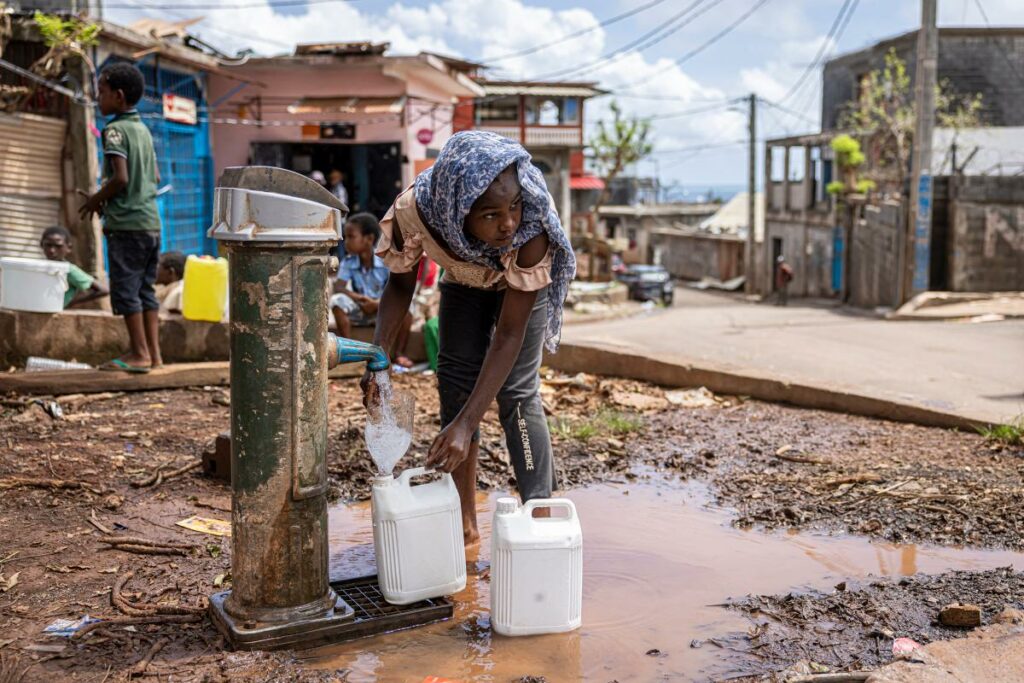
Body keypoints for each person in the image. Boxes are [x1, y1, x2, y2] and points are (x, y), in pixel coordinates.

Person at [365, 131, 576, 544]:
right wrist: (380, 357)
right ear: (458, 208)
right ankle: (464, 524)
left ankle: (542, 519)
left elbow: (510, 332)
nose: (508, 222)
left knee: (516, 394)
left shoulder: (530, 229)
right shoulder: (419, 211)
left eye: (512, 206)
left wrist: (467, 426)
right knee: (455, 387)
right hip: (464, 280)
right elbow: (399, 286)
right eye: (491, 214)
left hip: (518, 288)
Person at [79, 62, 162, 373]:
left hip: (127, 226)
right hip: (151, 222)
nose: (97, 98)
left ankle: (138, 354)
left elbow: (121, 178)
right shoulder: (142, 130)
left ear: (118, 95)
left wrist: (95, 200)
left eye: (101, 92)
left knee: (127, 290)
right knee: (146, 290)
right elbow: (152, 175)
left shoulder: (114, 130)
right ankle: (154, 354)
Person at [331, 213, 413, 367]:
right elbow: (339, 287)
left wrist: (376, 304)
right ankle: (350, 352)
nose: (346, 242)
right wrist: (360, 299)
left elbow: (397, 290)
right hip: (362, 308)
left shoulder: (385, 261)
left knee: (409, 307)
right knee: (337, 302)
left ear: (368, 239)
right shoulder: (348, 262)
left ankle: (400, 353)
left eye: (351, 237)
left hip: (383, 310)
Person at [39, 226, 108, 309]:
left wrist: (71, 301)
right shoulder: (38, 266)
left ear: (68, 248)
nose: (52, 250)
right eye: (48, 245)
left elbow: (103, 290)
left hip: (55, 311)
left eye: (58, 246)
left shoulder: (68, 269)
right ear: (41, 244)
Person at [155, 251, 185, 315]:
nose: (152, 271)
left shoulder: (178, 294)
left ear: (171, 272)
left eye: (156, 268)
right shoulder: (170, 288)